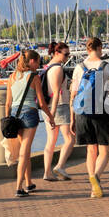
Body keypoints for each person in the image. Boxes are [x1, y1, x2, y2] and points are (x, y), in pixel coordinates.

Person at [70, 36, 109, 198]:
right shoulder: (107, 67)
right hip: (102, 112)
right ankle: (96, 177)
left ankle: (93, 189)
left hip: (82, 114)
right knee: (105, 150)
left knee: (91, 149)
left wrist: (72, 118)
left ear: (87, 49)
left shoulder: (79, 67)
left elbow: (73, 94)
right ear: (99, 48)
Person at [4, 49, 52, 197]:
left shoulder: (12, 77)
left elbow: (7, 103)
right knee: (25, 150)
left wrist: (8, 120)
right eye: (37, 61)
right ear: (31, 61)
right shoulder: (34, 77)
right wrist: (51, 116)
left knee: (25, 151)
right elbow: (42, 103)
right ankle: (19, 187)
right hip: (29, 114)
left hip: (14, 115)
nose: (38, 65)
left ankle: (29, 183)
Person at [41, 42, 74, 182]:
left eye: (68, 54)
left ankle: (47, 173)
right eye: (65, 54)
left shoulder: (48, 67)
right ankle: (59, 166)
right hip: (59, 106)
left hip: (48, 107)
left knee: (51, 141)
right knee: (70, 138)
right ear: (56, 53)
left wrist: (49, 113)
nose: (68, 57)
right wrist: (52, 114)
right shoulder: (58, 69)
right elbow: (56, 93)